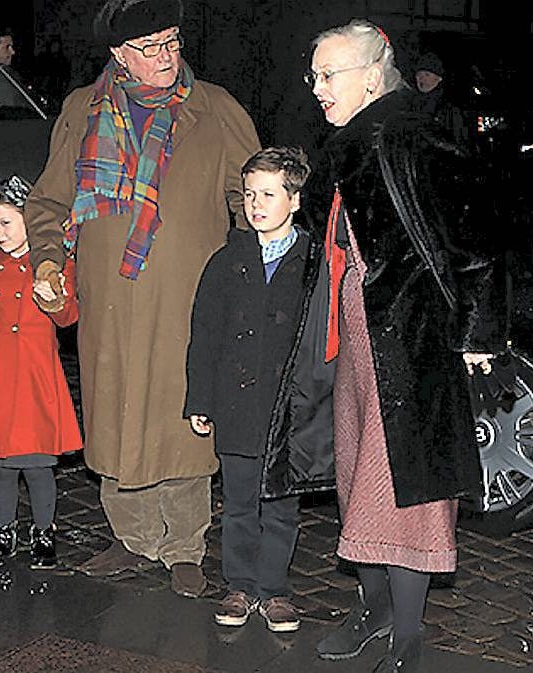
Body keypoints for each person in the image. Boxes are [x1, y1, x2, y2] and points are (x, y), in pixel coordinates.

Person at [25, 0, 260, 599]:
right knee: (118, 414)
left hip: (188, 300)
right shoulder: (83, 111)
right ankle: (130, 540)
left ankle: (185, 546)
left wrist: (250, 272)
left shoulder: (215, 111)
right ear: (118, 55)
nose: (166, 56)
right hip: (108, 300)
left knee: (182, 418)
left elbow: (251, 199)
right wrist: (49, 259)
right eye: (151, 47)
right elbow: (50, 202)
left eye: (172, 41)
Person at [304, 20, 506, 673]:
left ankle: (407, 636)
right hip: (357, 330)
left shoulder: (414, 134)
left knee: (405, 489)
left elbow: (476, 236)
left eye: (329, 74)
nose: (317, 88)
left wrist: (479, 332)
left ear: (371, 74)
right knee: (357, 472)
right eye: (313, 75)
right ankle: (374, 607)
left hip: (412, 336)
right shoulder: (346, 142)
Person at [184, 146, 316, 633]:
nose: (255, 204)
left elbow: (325, 341)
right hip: (237, 403)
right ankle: (238, 584)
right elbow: (205, 333)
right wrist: (200, 399)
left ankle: (274, 589)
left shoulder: (312, 263)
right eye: (248, 194)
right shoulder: (228, 259)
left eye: (267, 194)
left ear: (294, 199)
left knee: (281, 507)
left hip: (289, 410)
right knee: (239, 501)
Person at [0, 176, 82, 571]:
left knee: (38, 464)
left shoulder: (54, 263)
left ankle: (44, 530)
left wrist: (53, 298)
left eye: (6, 223)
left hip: (34, 375)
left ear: (30, 219)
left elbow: (68, 316)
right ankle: (3, 529)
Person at [410, 51, 468, 144]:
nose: (421, 78)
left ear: (438, 78)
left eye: (427, 75)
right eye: (418, 75)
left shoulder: (449, 105)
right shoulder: (411, 103)